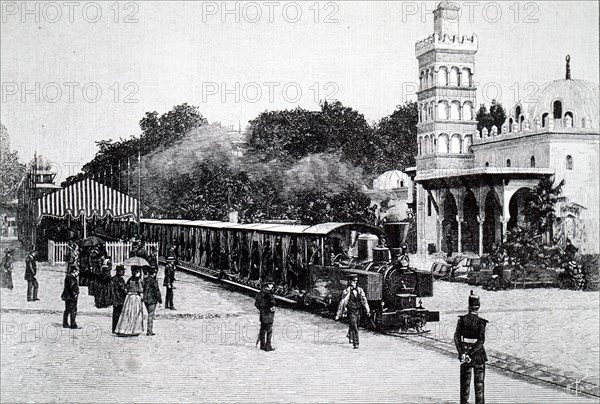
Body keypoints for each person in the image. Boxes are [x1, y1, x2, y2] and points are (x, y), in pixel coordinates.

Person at [454, 290, 488, 404]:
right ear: (478, 307)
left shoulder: (462, 320)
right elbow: (481, 341)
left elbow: (457, 338)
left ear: (469, 307)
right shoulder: (481, 322)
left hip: (464, 354)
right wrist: (471, 353)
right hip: (478, 355)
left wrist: (462, 353)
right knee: (479, 384)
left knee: (465, 382)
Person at [335, 273, 370, 349]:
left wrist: (367, 310)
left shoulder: (360, 290)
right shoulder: (346, 292)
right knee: (354, 326)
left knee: (356, 325)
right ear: (350, 282)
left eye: (356, 281)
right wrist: (338, 314)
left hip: (359, 310)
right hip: (351, 310)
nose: (355, 283)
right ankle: (356, 343)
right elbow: (342, 303)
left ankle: (350, 334)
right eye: (353, 281)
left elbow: (364, 301)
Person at [115, 268, 146, 336]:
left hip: (129, 297)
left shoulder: (130, 279)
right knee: (134, 313)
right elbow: (141, 290)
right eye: (137, 272)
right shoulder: (139, 281)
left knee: (128, 313)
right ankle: (133, 330)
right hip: (135, 298)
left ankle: (125, 329)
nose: (139, 274)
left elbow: (127, 287)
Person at [254, 277, 276, 351]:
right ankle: (268, 346)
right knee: (269, 331)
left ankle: (262, 345)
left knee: (262, 330)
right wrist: (270, 308)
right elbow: (273, 303)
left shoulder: (260, 293)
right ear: (268, 285)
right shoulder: (269, 294)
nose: (272, 286)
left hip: (262, 314)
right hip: (269, 315)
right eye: (271, 284)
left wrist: (261, 309)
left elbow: (256, 303)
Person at [142, 266, 162, 336]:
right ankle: (149, 330)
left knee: (149, 314)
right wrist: (160, 301)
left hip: (145, 300)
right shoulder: (154, 281)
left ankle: (149, 330)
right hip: (152, 300)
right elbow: (157, 291)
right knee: (150, 315)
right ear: (154, 273)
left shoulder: (145, 279)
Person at [110, 265, 127, 333]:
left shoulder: (113, 278)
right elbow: (123, 289)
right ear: (119, 271)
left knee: (115, 314)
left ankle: (114, 329)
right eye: (123, 271)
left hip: (115, 299)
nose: (124, 272)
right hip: (119, 299)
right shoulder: (120, 279)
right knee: (119, 314)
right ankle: (118, 329)